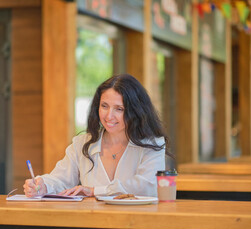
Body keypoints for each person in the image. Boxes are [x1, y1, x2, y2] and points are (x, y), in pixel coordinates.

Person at [24, 73, 172, 197]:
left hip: (137, 225)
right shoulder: (82, 144)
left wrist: (95, 191)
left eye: (119, 109)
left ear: (135, 111)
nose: (109, 116)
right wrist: (42, 185)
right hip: (92, 226)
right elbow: (60, 179)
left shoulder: (153, 144)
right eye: (104, 106)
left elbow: (146, 186)